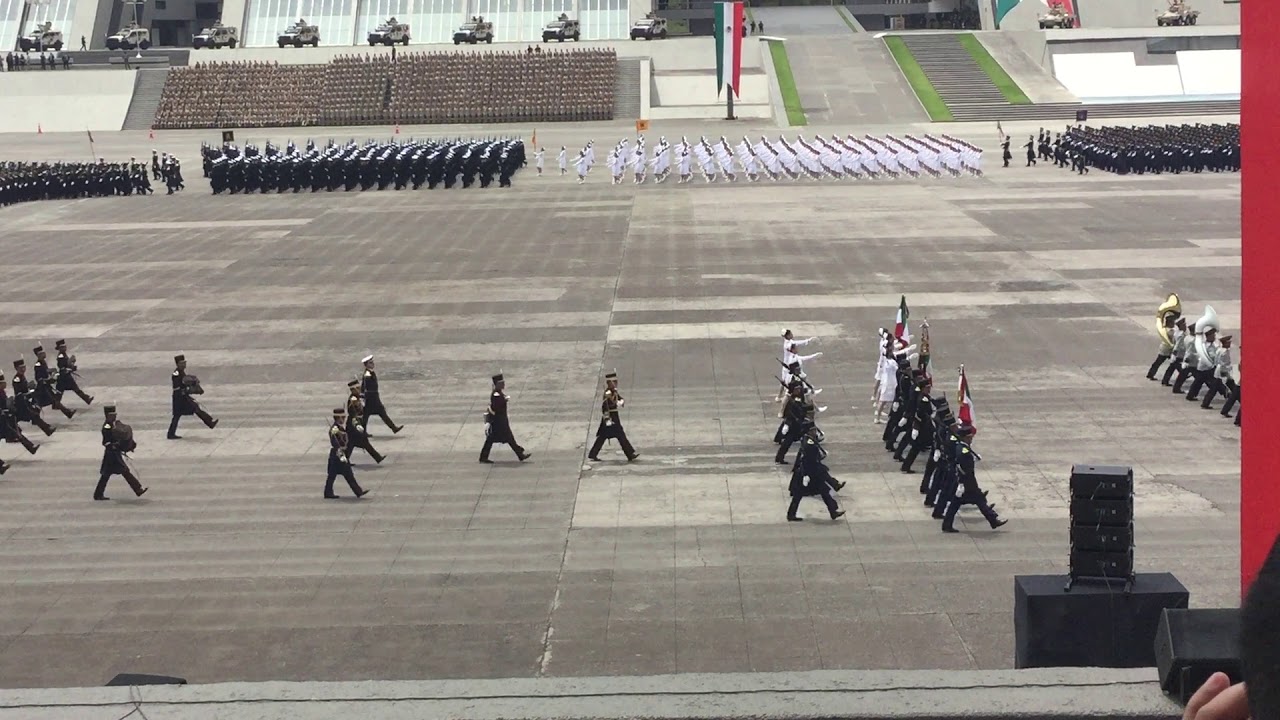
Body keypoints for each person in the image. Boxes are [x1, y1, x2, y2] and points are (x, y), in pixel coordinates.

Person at [786, 427, 845, 522]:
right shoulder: (810, 444)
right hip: (809, 473)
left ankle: (833, 511)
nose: (815, 432)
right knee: (798, 494)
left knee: (824, 491)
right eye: (813, 430)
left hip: (812, 472)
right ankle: (791, 514)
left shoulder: (807, 440)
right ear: (809, 431)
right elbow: (807, 460)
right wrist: (806, 474)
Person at [95, 404, 147, 501]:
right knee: (124, 471)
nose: (115, 416)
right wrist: (114, 445)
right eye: (112, 414)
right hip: (111, 454)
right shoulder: (107, 426)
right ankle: (138, 489)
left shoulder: (113, 424)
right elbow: (106, 441)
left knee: (106, 475)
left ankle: (98, 494)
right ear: (107, 415)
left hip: (113, 453)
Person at [480, 373, 530, 463]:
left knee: (505, 438)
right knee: (502, 438)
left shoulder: (498, 393)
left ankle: (520, 454)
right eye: (502, 383)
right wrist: (504, 400)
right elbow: (496, 407)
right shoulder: (496, 394)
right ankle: (520, 453)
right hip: (498, 422)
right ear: (497, 384)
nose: (504, 384)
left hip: (501, 421)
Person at [588, 371, 638, 462]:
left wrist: (621, 402)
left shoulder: (614, 392)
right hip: (611, 418)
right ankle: (630, 454)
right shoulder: (608, 393)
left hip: (615, 417)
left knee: (605, 437)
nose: (615, 383)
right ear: (609, 383)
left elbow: (620, 399)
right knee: (617, 436)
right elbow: (605, 408)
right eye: (613, 382)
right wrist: (607, 420)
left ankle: (593, 454)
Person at [167, 354, 219, 439]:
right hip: (179, 398)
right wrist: (188, 388)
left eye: (184, 362)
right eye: (182, 363)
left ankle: (210, 422)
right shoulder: (176, 373)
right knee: (180, 414)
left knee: (193, 409)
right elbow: (177, 387)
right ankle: (210, 422)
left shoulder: (182, 372)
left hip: (183, 397)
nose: (184, 364)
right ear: (178, 364)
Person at [325, 407, 368, 499]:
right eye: (341, 418)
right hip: (337, 454)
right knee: (335, 475)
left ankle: (358, 491)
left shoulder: (340, 428)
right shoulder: (335, 429)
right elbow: (335, 443)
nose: (343, 419)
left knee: (344, 474)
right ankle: (328, 492)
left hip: (340, 454)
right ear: (337, 418)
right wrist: (340, 453)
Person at [359, 354, 403, 434]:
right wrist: (363, 397)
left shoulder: (370, 372)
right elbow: (364, 385)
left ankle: (393, 428)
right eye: (371, 363)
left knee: (368, 416)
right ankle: (393, 428)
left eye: (372, 362)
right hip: (371, 398)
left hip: (373, 397)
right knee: (379, 413)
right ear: (367, 365)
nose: (373, 364)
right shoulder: (367, 374)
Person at [53, 339, 94, 407]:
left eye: (65, 346)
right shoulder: (61, 356)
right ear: (60, 348)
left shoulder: (63, 354)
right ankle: (87, 399)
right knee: (62, 391)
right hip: (64, 376)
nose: (65, 348)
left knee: (69, 390)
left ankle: (87, 399)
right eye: (63, 347)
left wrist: (72, 363)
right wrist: (71, 362)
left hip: (66, 376)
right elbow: (63, 365)